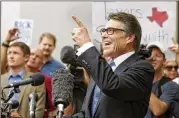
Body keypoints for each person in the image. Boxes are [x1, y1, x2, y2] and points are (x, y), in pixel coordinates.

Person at [66, 12, 155, 118]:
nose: (103, 35)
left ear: (129, 37)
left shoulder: (143, 68)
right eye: (103, 31)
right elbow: (87, 114)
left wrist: (87, 46)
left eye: (110, 31)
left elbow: (112, 85)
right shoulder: (101, 68)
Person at [1, 38, 45, 118]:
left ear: (26, 57)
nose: (11, 56)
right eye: (9, 53)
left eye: (15, 53)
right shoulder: (1, 79)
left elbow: (38, 113)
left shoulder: (35, 81)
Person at [145, 41, 179, 118]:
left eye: (157, 55)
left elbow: (158, 110)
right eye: (149, 55)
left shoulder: (171, 85)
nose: (153, 58)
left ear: (164, 61)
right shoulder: (136, 82)